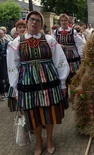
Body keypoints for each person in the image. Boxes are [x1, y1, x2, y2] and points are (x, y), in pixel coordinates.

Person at [7, 11, 70, 155]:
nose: (34, 22)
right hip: (28, 84)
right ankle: (38, 142)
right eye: (32, 19)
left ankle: (49, 140)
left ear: (41, 24)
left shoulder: (49, 40)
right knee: (32, 114)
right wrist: (15, 89)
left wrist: (63, 83)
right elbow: (12, 67)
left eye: (38, 20)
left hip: (49, 82)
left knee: (49, 112)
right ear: (27, 21)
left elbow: (60, 61)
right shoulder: (15, 43)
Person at [52, 13, 81, 108]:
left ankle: (74, 97)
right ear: (60, 22)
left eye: (65, 21)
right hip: (60, 56)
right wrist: (57, 45)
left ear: (68, 22)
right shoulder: (56, 32)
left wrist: (82, 56)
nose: (63, 22)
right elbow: (51, 43)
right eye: (62, 21)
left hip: (72, 57)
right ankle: (64, 97)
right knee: (62, 75)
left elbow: (80, 44)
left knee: (73, 77)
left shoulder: (73, 32)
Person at [8, 19, 27, 112]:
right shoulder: (13, 43)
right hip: (19, 72)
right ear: (17, 29)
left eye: (24, 27)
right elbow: (12, 63)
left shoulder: (30, 40)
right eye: (20, 27)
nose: (22, 29)